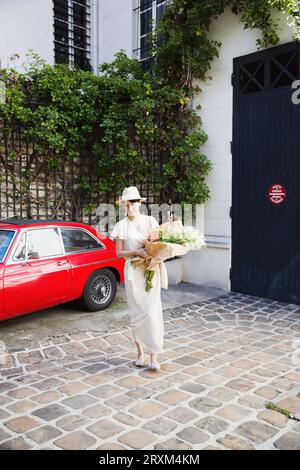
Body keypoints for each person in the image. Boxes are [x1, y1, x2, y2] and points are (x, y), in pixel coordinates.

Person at [110, 186, 168, 371]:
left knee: (152, 312)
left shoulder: (150, 221)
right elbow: (119, 252)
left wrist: (152, 253)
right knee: (137, 313)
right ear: (124, 205)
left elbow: (158, 245)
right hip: (133, 272)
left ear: (139, 203)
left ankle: (154, 356)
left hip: (151, 269)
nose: (131, 206)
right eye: (128, 203)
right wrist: (136, 252)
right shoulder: (121, 226)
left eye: (134, 202)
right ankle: (140, 354)